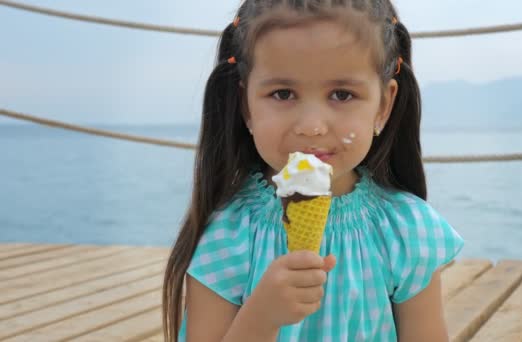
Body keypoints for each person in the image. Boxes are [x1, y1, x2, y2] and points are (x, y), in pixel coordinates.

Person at [163, 1, 464, 341]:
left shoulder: (405, 229)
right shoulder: (230, 233)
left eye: (341, 94)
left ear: (383, 106)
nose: (311, 127)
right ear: (245, 105)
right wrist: (261, 316)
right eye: (282, 93)